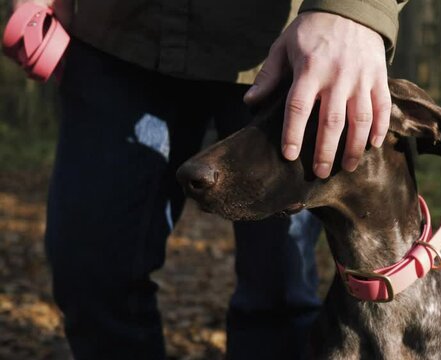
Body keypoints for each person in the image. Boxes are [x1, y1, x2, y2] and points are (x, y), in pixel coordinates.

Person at [8, 0, 407, 359]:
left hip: (285, 49)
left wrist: (353, 8)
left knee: (279, 294)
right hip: (117, 34)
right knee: (91, 275)